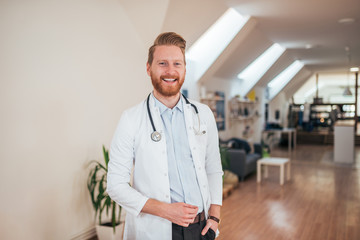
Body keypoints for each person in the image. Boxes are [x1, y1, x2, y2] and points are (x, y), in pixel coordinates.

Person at [107, 32, 223, 240]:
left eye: (177, 64)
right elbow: (116, 185)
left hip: (201, 228)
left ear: (185, 69)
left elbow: (213, 168)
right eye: (162, 63)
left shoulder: (202, 114)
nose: (170, 71)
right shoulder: (131, 119)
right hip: (157, 229)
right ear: (148, 68)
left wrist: (214, 217)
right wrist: (164, 210)